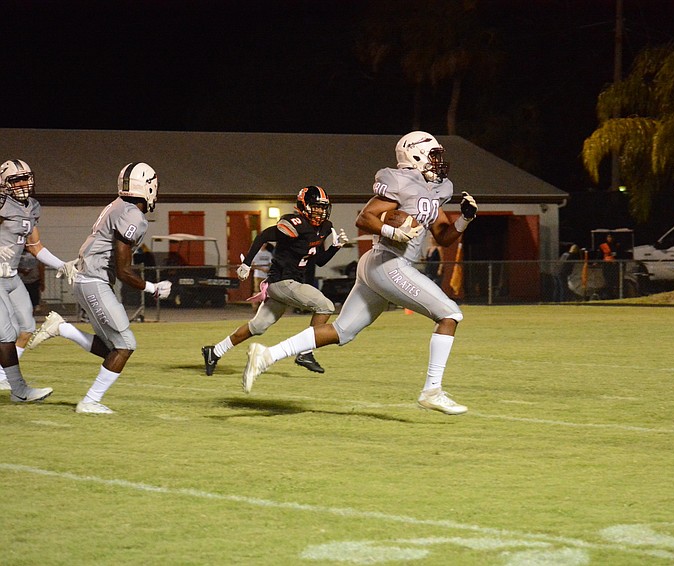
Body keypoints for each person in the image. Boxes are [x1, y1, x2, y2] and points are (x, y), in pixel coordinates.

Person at [240, 131, 478, 415]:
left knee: (342, 331)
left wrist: (464, 219)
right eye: (433, 155)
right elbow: (365, 217)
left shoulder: (434, 190)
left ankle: (266, 355)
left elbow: (443, 236)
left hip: (379, 265)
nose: (438, 162)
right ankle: (432, 391)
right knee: (450, 314)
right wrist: (393, 232)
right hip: (389, 262)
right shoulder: (401, 181)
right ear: (415, 154)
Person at [27, 163, 172, 414]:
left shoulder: (118, 205)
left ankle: (62, 328)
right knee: (125, 346)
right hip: (94, 282)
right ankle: (90, 401)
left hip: (88, 280)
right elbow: (124, 270)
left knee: (112, 348)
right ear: (147, 188)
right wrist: (153, 288)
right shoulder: (133, 216)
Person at [201, 186, 348, 376]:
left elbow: (318, 261)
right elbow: (263, 236)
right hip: (283, 282)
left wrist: (335, 247)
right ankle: (305, 352)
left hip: (287, 284)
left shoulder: (324, 228)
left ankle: (214, 351)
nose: (320, 211)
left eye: (323, 207)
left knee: (257, 327)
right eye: (316, 206)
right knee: (325, 306)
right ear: (303, 206)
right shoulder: (295, 223)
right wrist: (247, 263)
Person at [0, 159, 72, 400]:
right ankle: (18, 390)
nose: (23, 184)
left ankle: (2, 376)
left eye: (25, 179)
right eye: (16, 180)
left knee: (27, 328)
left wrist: (61, 265)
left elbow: (35, 246)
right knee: (6, 334)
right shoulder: (2, 203)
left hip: (12, 277)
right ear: (5, 183)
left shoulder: (31, 207)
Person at [18, 247, 45, 314]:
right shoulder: (19, 255)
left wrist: (42, 281)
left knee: (33, 299)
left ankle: (33, 309)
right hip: (23, 281)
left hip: (33, 280)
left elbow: (41, 268)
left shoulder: (36, 256)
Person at [250, 242, 274, 312]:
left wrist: (268, 269)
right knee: (257, 291)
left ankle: (265, 307)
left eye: (264, 244)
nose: (263, 245)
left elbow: (271, 263)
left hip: (266, 276)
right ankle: (255, 307)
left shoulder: (268, 254)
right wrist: (261, 269)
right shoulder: (257, 253)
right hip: (258, 275)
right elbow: (253, 265)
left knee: (266, 292)